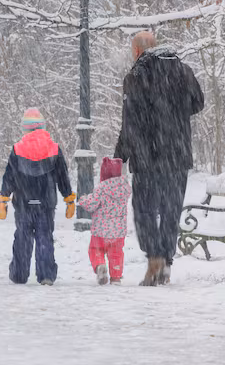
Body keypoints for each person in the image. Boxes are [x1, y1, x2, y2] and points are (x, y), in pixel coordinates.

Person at [114, 31, 204, 286]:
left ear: (137, 51)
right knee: (170, 210)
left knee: (144, 210)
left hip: (147, 157)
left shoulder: (136, 76)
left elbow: (130, 121)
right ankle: (165, 262)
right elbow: (198, 103)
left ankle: (154, 256)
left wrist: (120, 156)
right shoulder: (183, 70)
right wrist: (175, 113)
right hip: (177, 156)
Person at [0, 108, 76, 285]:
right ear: (42, 126)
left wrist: (3, 198)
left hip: (23, 202)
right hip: (46, 202)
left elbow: (9, 176)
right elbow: (62, 176)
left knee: (22, 238)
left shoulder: (18, 149)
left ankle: (19, 274)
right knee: (44, 238)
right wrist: (68, 198)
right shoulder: (54, 149)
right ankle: (46, 274)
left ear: (25, 128)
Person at [78, 157, 131, 285]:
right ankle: (116, 277)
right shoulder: (125, 188)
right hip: (118, 231)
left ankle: (100, 265)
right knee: (116, 253)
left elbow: (91, 204)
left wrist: (83, 199)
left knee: (95, 250)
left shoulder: (102, 189)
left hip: (101, 230)